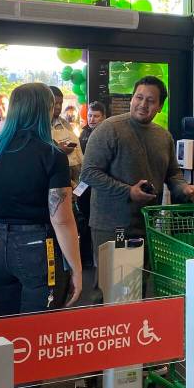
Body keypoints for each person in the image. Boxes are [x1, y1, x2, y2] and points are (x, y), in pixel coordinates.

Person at [77, 77, 194, 388]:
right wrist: (126, 191)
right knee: (106, 294)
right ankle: (88, 374)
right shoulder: (110, 129)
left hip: (147, 225)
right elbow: (88, 173)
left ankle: (135, 361)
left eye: (150, 100)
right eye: (138, 97)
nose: (142, 104)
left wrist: (183, 189)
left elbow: (172, 175)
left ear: (160, 106)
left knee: (140, 294)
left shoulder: (163, 135)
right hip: (109, 224)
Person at [0, 83, 82, 388]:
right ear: (43, 110)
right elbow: (61, 217)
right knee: (31, 341)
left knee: (3, 337)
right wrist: (76, 268)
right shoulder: (51, 156)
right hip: (36, 249)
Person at [76, 102, 106, 274]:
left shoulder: (107, 134)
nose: (92, 119)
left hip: (101, 184)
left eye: (96, 116)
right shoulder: (83, 133)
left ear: (104, 117)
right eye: (90, 115)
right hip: (84, 184)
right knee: (84, 220)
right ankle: (85, 256)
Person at [49, 86, 83, 188]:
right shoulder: (38, 127)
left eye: (60, 103)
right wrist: (58, 150)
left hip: (76, 174)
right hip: (57, 179)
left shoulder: (65, 123)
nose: (59, 107)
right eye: (55, 103)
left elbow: (78, 150)